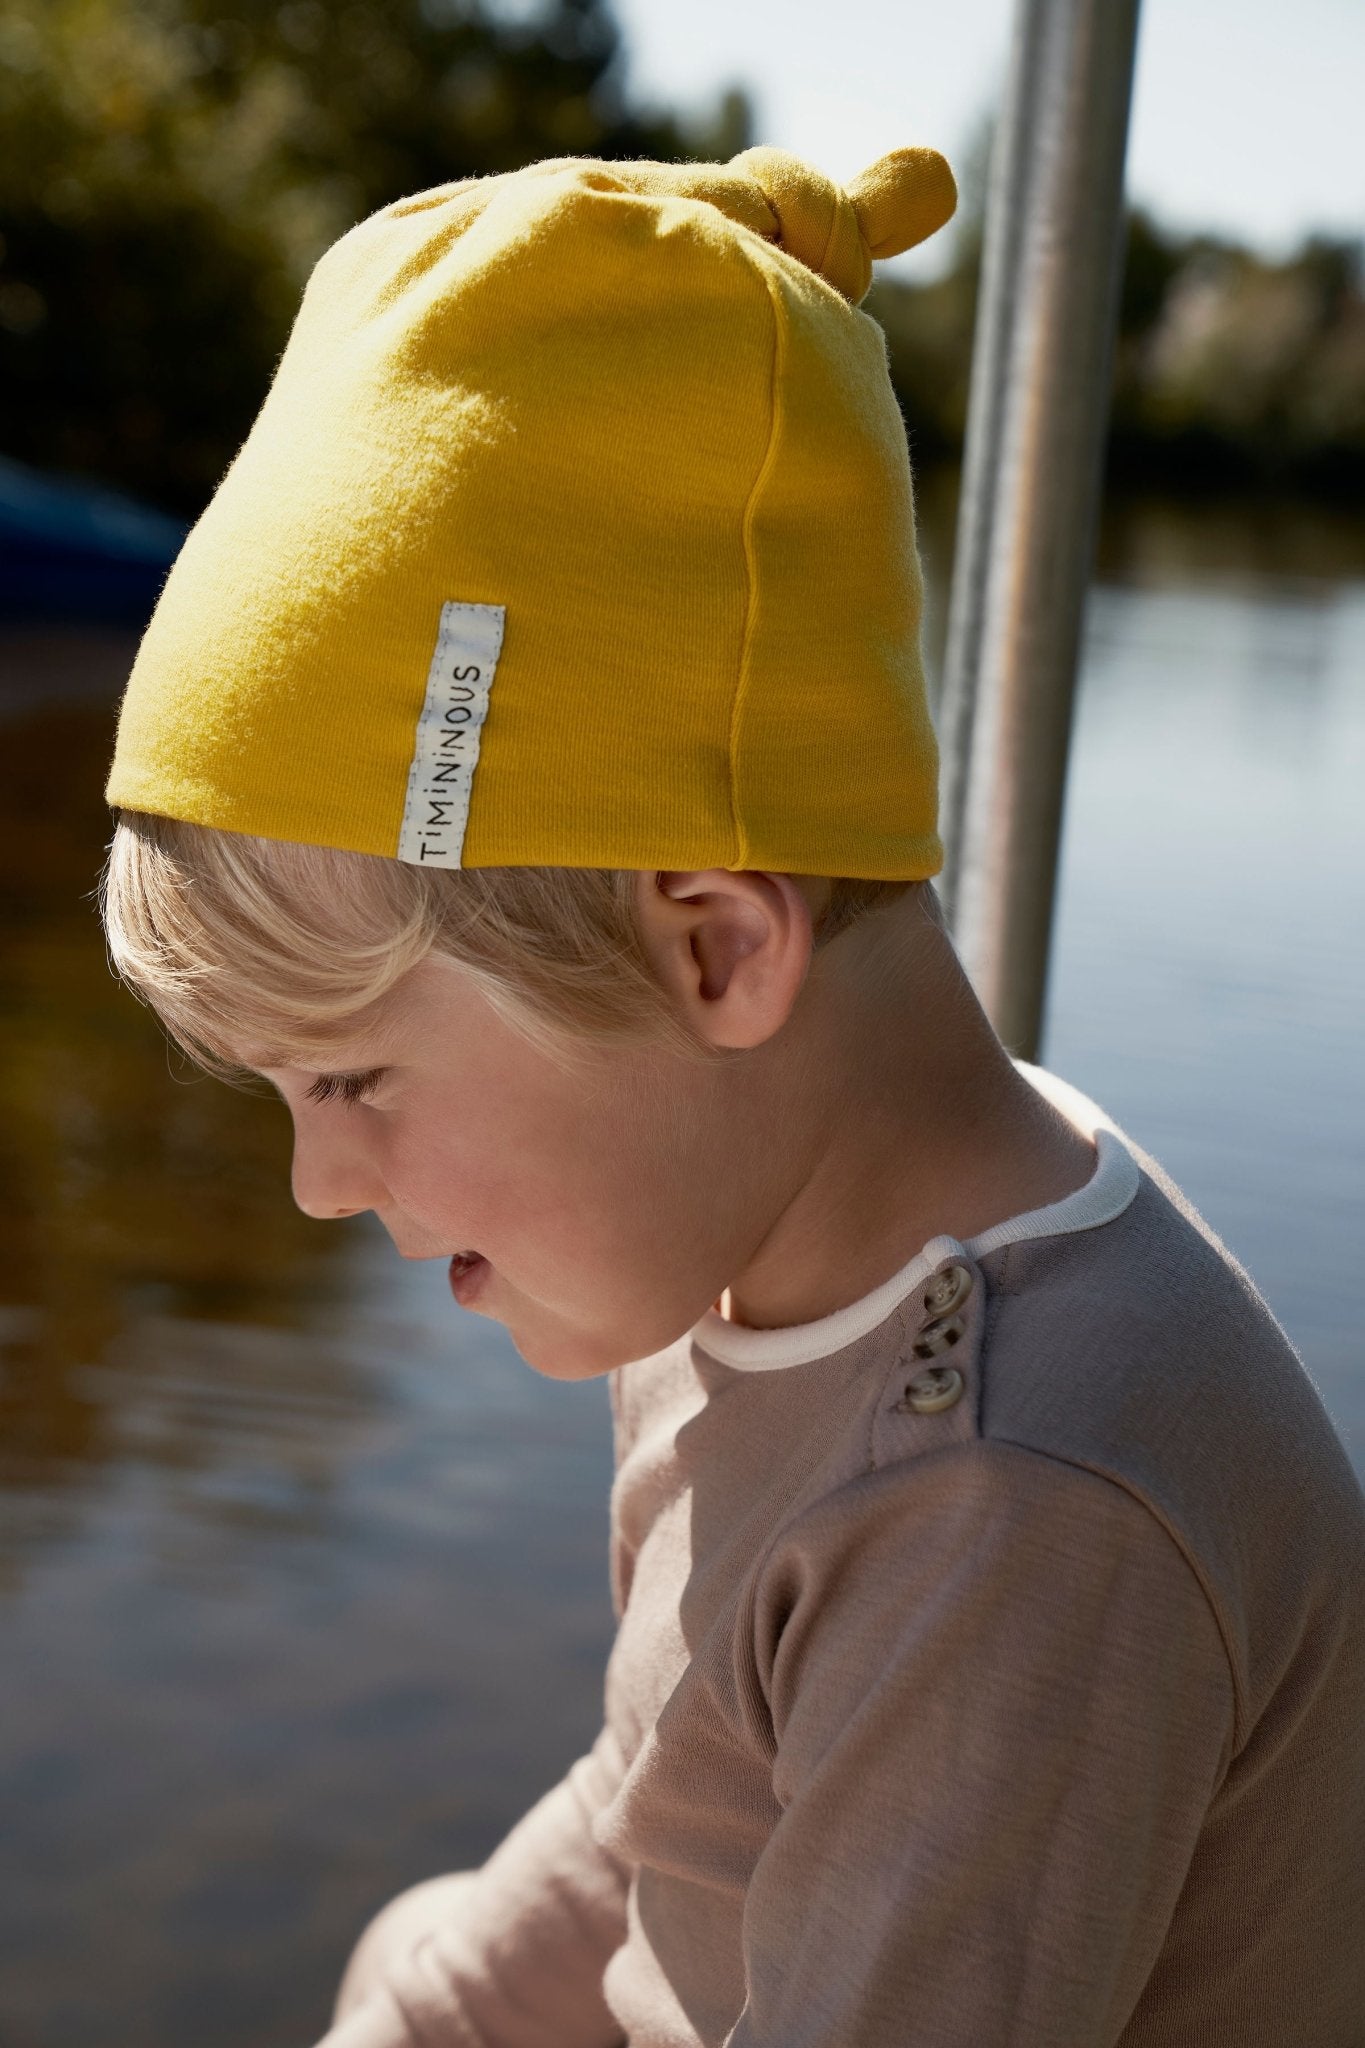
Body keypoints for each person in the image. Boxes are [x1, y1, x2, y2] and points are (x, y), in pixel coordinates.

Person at [98, 141, 1365, 2048]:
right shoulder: (753, 1262)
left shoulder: (1007, 1508)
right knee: (412, 1956)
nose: (315, 1187)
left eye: (352, 1075)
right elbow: (663, 1806)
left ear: (712, 952)